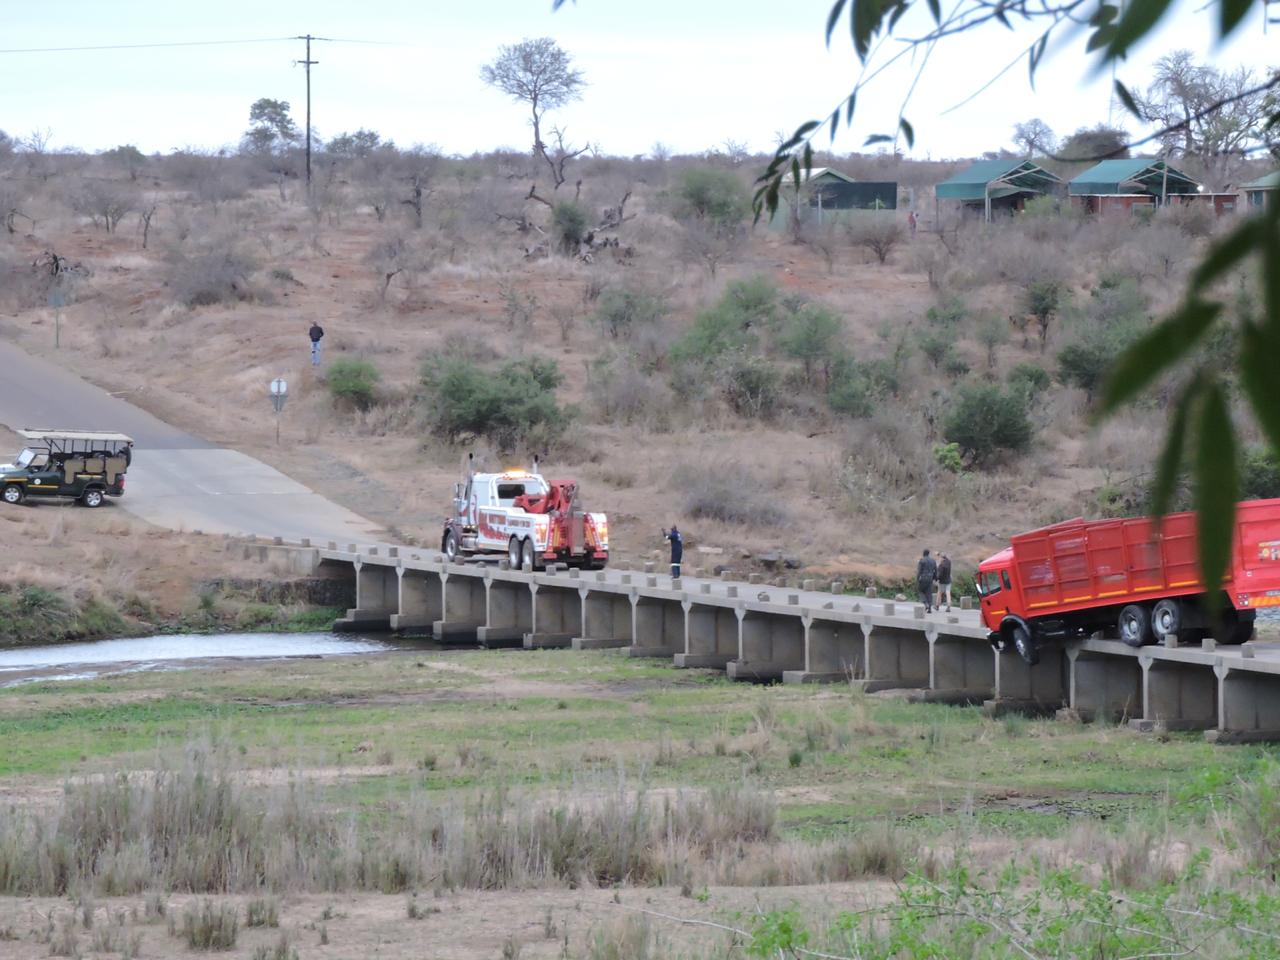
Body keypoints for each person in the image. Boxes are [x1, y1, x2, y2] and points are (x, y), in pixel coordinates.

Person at [916, 548, 937, 613]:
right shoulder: (933, 561)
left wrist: (917, 578)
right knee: (929, 593)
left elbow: (919, 571)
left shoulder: (922, 561)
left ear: (923, 554)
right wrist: (935, 578)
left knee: (920, 591)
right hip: (930, 579)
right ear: (928, 554)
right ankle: (929, 608)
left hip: (923, 578)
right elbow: (935, 570)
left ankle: (925, 603)